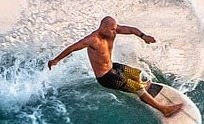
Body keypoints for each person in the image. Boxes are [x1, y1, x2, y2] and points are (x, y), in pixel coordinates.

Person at [46, 16, 183, 117]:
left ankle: (144, 93)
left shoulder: (111, 31)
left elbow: (130, 29)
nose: (115, 32)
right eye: (112, 29)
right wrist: (56, 60)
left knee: (137, 73)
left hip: (113, 67)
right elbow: (72, 48)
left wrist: (143, 36)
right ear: (104, 28)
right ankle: (164, 109)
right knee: (136, 87)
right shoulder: (92, 40)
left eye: (115, 28)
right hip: (106, 77)